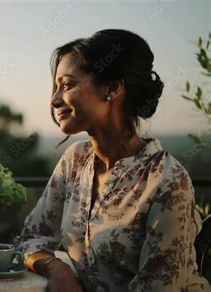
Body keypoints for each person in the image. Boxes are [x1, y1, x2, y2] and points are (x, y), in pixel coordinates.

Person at [14, 29, 210, 291]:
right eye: (56, 87)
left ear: (112, 88)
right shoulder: (75, 160)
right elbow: (30, 239)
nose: (54, 99)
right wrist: (56, 267)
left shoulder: (167, 181)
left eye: (68, 85)